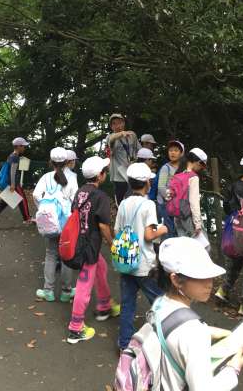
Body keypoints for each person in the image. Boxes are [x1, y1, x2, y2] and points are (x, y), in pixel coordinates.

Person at [152, 237, 243, 390]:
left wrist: (208, 331)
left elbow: (172, 330)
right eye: (200, 276)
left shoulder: (160, 304)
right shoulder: (194, 333)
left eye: (209, 275)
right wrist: (233, 368)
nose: (210, 283)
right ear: (176, 280)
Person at [67, 156, 120, 344]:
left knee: (101, 268)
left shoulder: (80, 192)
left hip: (79, 241)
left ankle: (105, 305)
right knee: (84, 285)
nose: (106, 173)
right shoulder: (100, 196)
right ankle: (76, 328)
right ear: (100, 175)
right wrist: (112, 244)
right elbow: (104, 226)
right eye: (104, 171)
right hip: (89, 247)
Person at [115, 162, 167, 350]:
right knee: (160, 301)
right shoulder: (148, 204)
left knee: (127, 304)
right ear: (147, 183)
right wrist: (163, 229)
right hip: (144, 264)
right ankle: (165, 338)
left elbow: (117, 231)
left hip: (126, 262)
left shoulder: (123, 203)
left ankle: (124, 344)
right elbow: (149, 235)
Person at [215, 153, 243, 315]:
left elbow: (227, 206)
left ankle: (223, 291)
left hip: (234, 227)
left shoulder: (234, 185)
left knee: (233, 264)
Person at [33, 148, 78, 302]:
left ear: (51, 162)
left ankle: (48, 291)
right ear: (66, 162)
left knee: (51, 254)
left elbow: (36, 195)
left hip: (49, 222)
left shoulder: (46, 177)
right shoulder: (72, 177)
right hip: (66, 222)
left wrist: (43, 209)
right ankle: (66, 292)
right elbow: (75, 199)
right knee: (66, 255)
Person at [0, 137, 31, 228]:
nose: (24, 148)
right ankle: (27, 219)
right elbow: (12, 172)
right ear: (18, 146)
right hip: (14, 184)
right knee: (23, 200)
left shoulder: (11, 155)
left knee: (4, 202)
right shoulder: (15, 157)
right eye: (23, 146)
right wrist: (13, 184)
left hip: (9, 183)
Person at [171, 148, 207, 238]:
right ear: (198, 162)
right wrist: (197, 223)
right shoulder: (193, 177)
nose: (202, 168)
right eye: (202, 165)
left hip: (177, 217)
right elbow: (194, 202)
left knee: (184, 244)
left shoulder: (177, 175)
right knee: (202, 244)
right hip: (189, 217)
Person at [105, 113, 140, 205]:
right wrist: (120, 134)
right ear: (111, 126)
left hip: (132, 172)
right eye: (114, 123)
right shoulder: (110, 137)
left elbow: (139, 150)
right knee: (120, 201)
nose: (118, 125)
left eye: (120, 122)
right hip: (119, 174)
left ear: (124, 123)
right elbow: (111, 139)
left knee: (133, 199)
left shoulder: (132, 135)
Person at [156, 140, 185, 236]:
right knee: (168, 232)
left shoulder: (183, 169)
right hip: (165, 205)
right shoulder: (166, 168)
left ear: (181, 153)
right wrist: (171, 197)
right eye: (170, 150)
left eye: (176, 150)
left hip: (177, 206)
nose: (172, 153)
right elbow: (161, 187)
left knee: (176, 232)